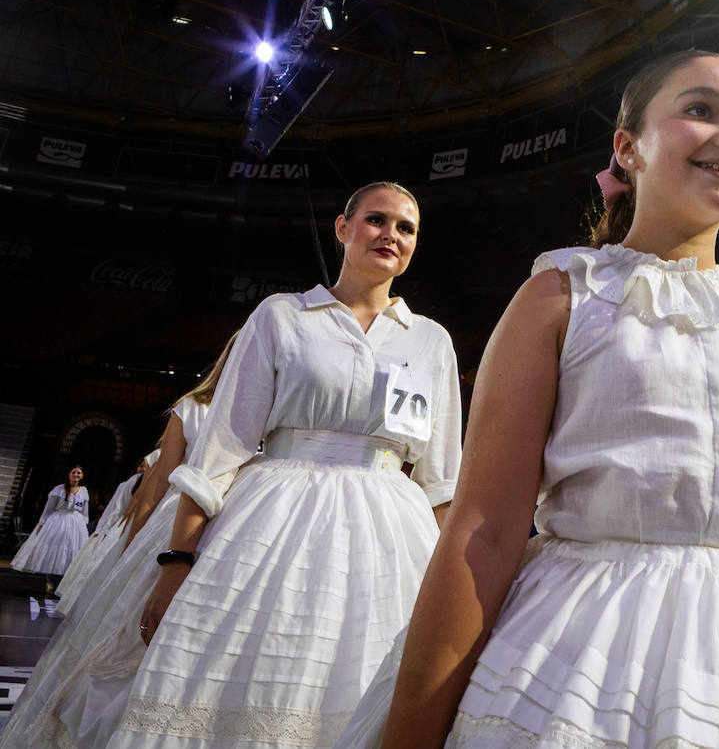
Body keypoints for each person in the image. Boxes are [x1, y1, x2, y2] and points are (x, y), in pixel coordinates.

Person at [337, 51, 719, 749]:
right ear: (628, 148)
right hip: (581, 661)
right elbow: (483, 534)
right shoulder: (561, 296)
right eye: (701, 110)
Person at [92, 181, 462, 749]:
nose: (391, 235)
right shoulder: (282, 317)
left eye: (405, 228)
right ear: (343, 228)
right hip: (273, 522)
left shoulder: (432, 341)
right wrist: (177, 561)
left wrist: (448, 590)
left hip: (391, 539)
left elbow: (441, 481)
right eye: (376, 220)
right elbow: (219, 452)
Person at [0, 334, 234, 749]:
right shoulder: (194, 408)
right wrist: (130, 547)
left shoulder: (273, 414)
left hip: (235, 528)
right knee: (129, 638)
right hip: (175, 525)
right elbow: (158, 481)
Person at [54, 453, 154, 614]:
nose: (143, 469)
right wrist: (104, 530)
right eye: (141, 466)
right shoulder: (133, 483)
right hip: (123, 528)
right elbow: (116, 509)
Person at [11, 465, 90, 582]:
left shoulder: (83, 491)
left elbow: (84, 511)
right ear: (69, 474)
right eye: (73, 472)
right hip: (58, 521)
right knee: (53, 550)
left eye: (78, 473)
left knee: (72, 551)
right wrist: (42, 524)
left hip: (76, 524)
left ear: (82, 476)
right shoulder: (59, 489)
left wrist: (84, 525)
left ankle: (63, 582)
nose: (76, 475)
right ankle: (50, 582)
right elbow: (48, 509)